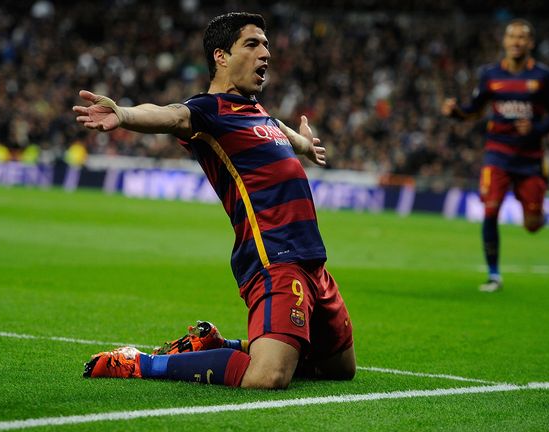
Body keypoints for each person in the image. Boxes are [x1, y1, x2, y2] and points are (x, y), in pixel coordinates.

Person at [73, 12, 355, 389]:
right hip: (275, 260)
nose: (265, 53)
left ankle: (218, 345)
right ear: (221, 56)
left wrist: (304, 143)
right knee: (267, 376)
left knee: (338, 368)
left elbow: (281, 132)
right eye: (252, 44)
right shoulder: (209, 111)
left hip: (312, 262)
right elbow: (171, 116)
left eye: (266, 44)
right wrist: (123, 114)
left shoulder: (258, 112)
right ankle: (140, 363)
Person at [441, 19, 549, 292]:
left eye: (522, 37)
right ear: (505, 41)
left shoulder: (543, 77)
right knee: (490, 210)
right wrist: (456, 112)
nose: (516, 42)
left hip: (530, 158)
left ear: (530, 43)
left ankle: (537, 210)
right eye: (512, 36)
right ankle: (494, 274)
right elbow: (474, 109)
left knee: (532, 225)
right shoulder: (491, 74)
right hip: (497, 153)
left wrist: (536, 129)